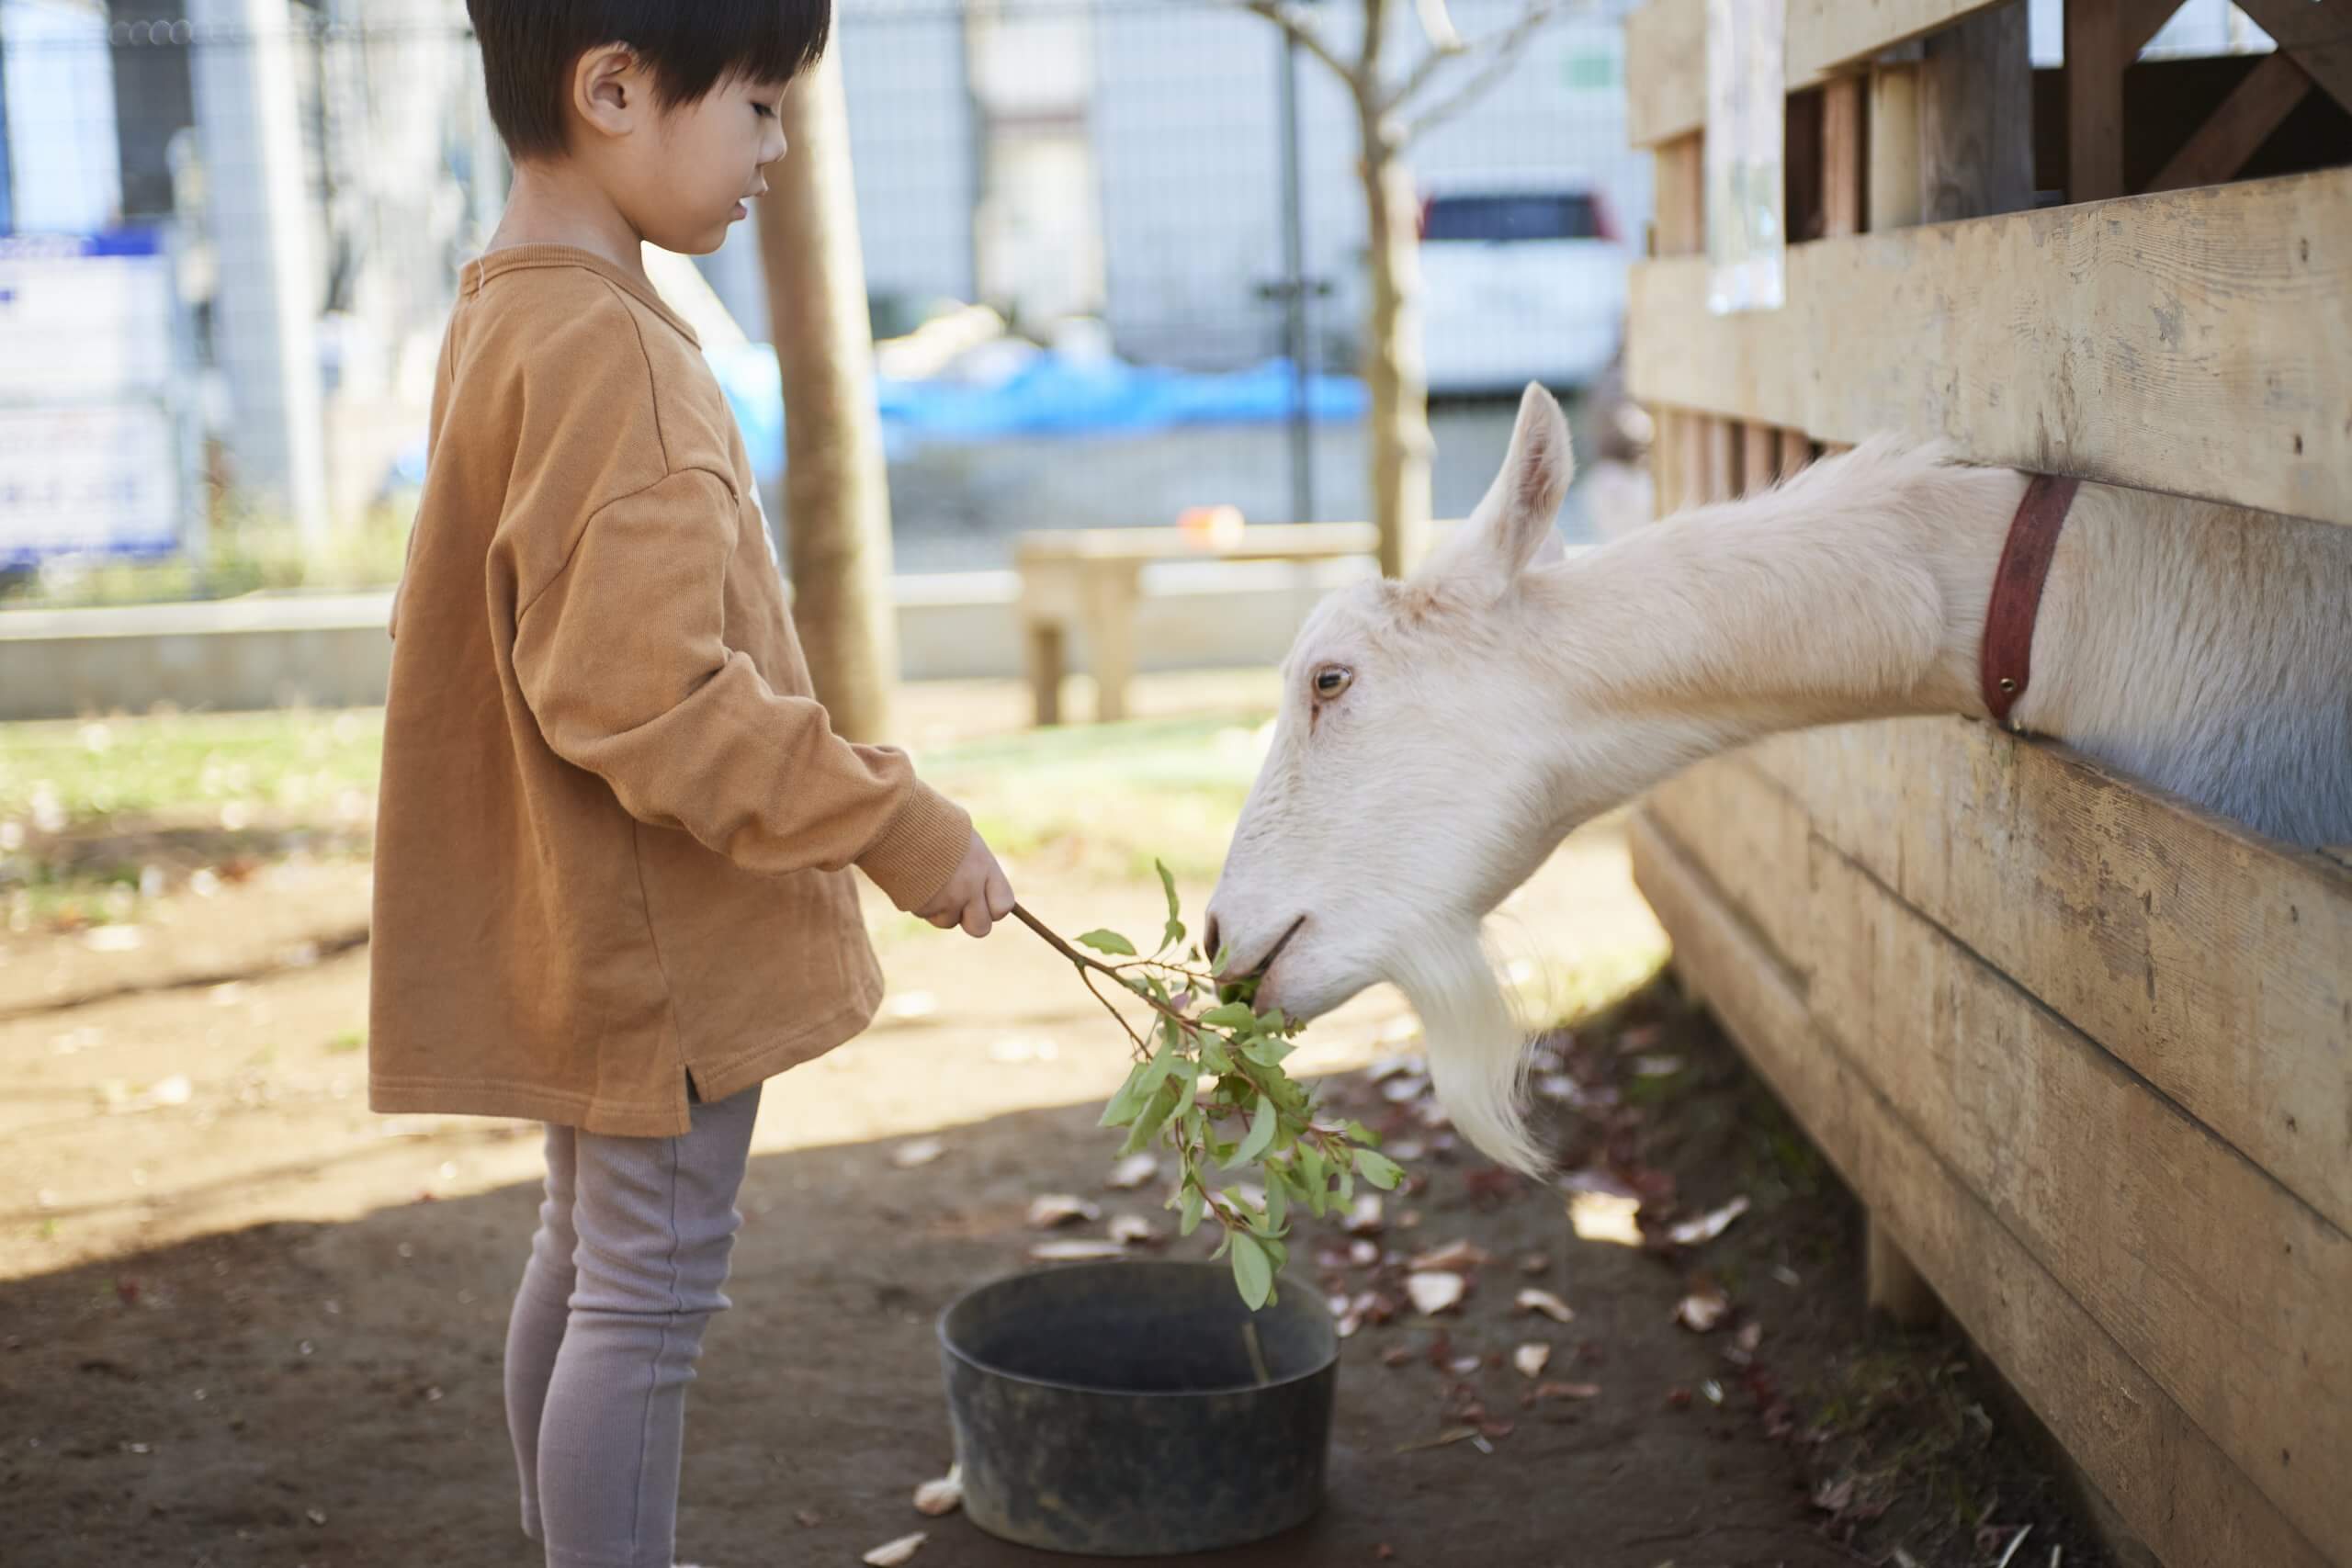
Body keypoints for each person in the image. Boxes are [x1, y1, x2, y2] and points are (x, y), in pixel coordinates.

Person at [368, 6, 1015, 1563]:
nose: (779, 155)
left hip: (573, 920)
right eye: (762, 106)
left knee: (587, 1261)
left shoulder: (507, 309)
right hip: (654, 947)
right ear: (612, 89)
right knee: (644, 1300)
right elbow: (650, 695)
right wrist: (901, 825)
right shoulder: (611, 353)